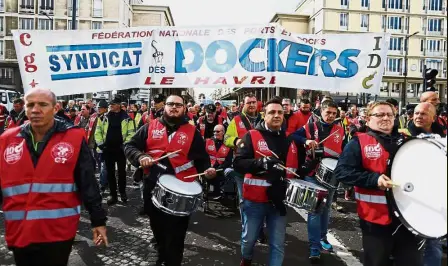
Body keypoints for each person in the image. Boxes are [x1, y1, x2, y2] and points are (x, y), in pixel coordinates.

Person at [0, 88, 108, 266]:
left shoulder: (73, 138)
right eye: (31, 105)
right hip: (20, 231)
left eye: (42, 104)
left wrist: (98, 220)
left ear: (55, 108)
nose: (35, 110)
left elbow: (88, 182)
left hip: (57, 233)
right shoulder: (7, 139)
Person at [124, 95, 216, 266]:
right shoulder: (149, 127)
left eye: (178, 105)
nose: (174, 107)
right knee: (157, 225)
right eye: (171, 104)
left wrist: (207, 170)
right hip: (152, 183)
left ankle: (173, 261)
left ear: (184, 108)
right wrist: (140, 155)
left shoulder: (192, 132)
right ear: (164, 107)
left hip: (182, 186)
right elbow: (129, 146)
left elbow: (202, 158)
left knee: (177, 231)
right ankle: (161, 251)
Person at [334, 101, 423, 266]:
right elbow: (342, 172)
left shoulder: (408, 141)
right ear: (368, 119)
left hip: (408, 218)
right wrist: (374, 180)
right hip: (375, 220)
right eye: (380, 114)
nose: (386, 118)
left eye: (389, 115)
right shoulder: (357, 142)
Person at [233, 97, 299, 266]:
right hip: (254, 200)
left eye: (280, 112)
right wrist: (260, 163)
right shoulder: (251, 135)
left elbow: (296, 169)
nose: (276, 115)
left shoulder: (289, 139)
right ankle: (246, 258)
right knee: (248, 239)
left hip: (278, 201)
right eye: (272, 112)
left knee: (277, 244)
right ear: (264, 114)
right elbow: (238, 164)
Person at [290, 100, 345, 261]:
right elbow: (292, 135)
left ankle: (322, 237)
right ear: (321, 111)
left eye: (334, 114)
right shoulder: (310, 127)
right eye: (328, 112)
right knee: (314, 211)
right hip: (312, 173)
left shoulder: (340, 130)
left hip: (330, 175)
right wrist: (305, 141)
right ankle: (314, 247)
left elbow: (345, 148)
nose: (331, 116)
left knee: (326, 209)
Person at [399, 102, 445, 266]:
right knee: (405, 246)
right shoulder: (401, 135)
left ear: (433, 118)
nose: (418, 116)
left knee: (433, 244)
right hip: (406, 198)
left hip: (433, 199)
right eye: (416, 113)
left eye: (423, 114)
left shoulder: (443, 138)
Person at [94, 96, 135, 205]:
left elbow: (131, 134)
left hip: (121, 150)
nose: (110, 106)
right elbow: (97, 132)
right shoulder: (103, 117)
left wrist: (125, 145)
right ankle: (113, 195)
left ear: (119, 105)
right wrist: (101, 144)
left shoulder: (127, 118)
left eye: (113, 104)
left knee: (122, 173)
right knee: (110, 173)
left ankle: (122, 193)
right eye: (110, 104)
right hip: (108, 150)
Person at [204, 124, 233, 201]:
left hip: (221, 169)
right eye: (214, 131)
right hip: (208, 167)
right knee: (208, 174)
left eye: (217, 131)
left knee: (223, 175)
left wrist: (217, 170)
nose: (215, 133)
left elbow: (228, 161)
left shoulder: (228, 144)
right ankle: (211, 192)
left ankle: (218, 193)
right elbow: (204, 157)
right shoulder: (208, 142)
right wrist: (208, 167)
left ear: (223, 132)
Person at [96, 100, 109, 192]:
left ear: (105, 109)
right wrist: (100, 145)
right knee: (102, 167)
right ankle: (104, 183)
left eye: (100, 108)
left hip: (108, 147)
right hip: (101, 148)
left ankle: (102, 185)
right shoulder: (100, 118)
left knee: (104, 168)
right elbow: (97, 132)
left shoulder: (108, 118)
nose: (98, 109)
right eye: (98, 108)